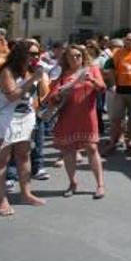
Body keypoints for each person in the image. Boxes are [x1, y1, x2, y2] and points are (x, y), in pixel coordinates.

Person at [0, 40, 47, 216]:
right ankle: (1, 200)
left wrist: (40, 79)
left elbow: (41, 94)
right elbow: (12, 95)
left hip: (26, 117)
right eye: (32, 54)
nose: (36, 57)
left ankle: (26, 193)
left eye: (38, 54)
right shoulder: (7, 71)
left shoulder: (31, 71)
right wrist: (33, 80)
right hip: (5, 119)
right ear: (21, 53)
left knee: (24, 156)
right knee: (1, 160)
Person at [47, 45, 107, 199]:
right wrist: (64, 90)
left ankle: (100, 185)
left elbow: (102, 88)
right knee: (68, 150)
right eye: (71, 56)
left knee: (92, 148)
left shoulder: (92, 69)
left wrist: (91, 79)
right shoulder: (63, 75)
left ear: (83, 56)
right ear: (66, 59)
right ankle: (72, 183)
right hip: (68, 116)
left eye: (78, 56)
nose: (75, 59)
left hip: (87, 116)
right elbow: (52, 98)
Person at [105, 32, 131, 155]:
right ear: (124, 40)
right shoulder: (116, 53)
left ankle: (130, 143)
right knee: (116, 119)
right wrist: (113, 84)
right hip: (120, 89)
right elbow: (111, 69)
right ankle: (113, 142)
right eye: (128, 40)